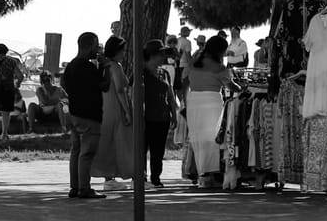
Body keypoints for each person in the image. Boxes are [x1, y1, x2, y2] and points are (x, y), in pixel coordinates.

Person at [62, 32, 105, 198]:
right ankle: (84, 188)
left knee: (76, 151)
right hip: (90, 115)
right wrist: (104, 66)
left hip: (74, 113)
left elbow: (65, 84)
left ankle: (75, 187)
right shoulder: (88, 67)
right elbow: (103, 85)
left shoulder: (71, 65)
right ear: (90, 45)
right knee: (86, 153)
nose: (98, 49)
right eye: (96, 45)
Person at [185, 35, 233, 187]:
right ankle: (211, 173)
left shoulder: (194, 62)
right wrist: (242, 87)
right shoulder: (219, 67)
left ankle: (200, 171)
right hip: (211, 101)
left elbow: (185, 81)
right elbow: (230, 86)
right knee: (214, 137)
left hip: (193, 101)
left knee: (197, 137)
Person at [92, 36, 136, 192]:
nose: (125, 53)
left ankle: (109, 177)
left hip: (105, 107)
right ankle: (131, 174)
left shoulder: (103, 66)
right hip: (116, 108)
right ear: (117, 51)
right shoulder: (115, 67)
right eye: (123, 50)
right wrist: (127, 111)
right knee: (122, 142)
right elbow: (120, 90)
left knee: (108, 142)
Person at [141, 44, 178, 187]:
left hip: (162, 118)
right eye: (161, 54)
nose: (163, 57)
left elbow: (170, 95)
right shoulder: (141, 73)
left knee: (158, 150)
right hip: (145, 118)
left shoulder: (164, 73)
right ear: (152, 55)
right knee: (142, 149)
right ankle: (141, 177)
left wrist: (174, 114)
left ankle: (156, 177)